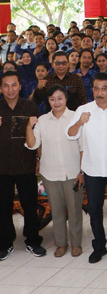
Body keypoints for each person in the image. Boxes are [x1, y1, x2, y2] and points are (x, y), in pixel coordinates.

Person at [66, 74, 107, 263]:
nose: (99, 93)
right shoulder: (83, 110)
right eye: (96, 88)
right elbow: (70, 135)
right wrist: (79, 122)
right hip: (92, 169)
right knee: (94, 210)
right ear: (91, 89)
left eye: (104, 89)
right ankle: (99, 247)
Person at [24, 86, 83, 257]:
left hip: (72, 172)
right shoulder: (42, 120)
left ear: (66, 99)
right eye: (52, 99)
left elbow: (82, 146)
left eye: (60, 98)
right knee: (56, 211)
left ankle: (76, 244)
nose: (56, 102)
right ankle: (61, 244)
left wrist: (82, 172)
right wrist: (29, 127)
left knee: (74, 211)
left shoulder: (75, 118)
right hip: (50, 172)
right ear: (48, 101)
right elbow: (33, 144)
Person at [0, 71, 45, 259]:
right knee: (2, 206)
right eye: (6, 85)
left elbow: (39, 137)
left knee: (29, 204)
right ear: (1, 88)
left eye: (14, 85)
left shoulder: (30, 107)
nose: (10, 89)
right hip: (2, 167)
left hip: (26, 165)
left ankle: (33, 240)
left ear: (20, 86)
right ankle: (4, 242)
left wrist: (38, 160)